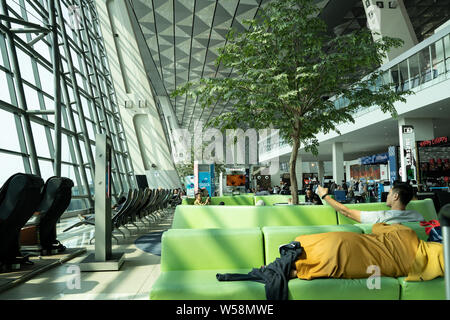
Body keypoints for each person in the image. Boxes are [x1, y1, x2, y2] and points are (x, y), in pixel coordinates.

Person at [289, 222, 443, 281]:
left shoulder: (406, 232)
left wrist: (392, 224)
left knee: (304, 244)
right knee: (337, 264)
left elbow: (377, 227)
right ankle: (297, 269)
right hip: (355, 258)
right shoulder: (438, 255)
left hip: (346, 240)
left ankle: (293, 260)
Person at [316, 182, 425, 224]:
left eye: (389, 193)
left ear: (396, 196)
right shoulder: (418, 216)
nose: (387, 196)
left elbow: (347, 212)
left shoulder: (382, 217)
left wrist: (325, 196)